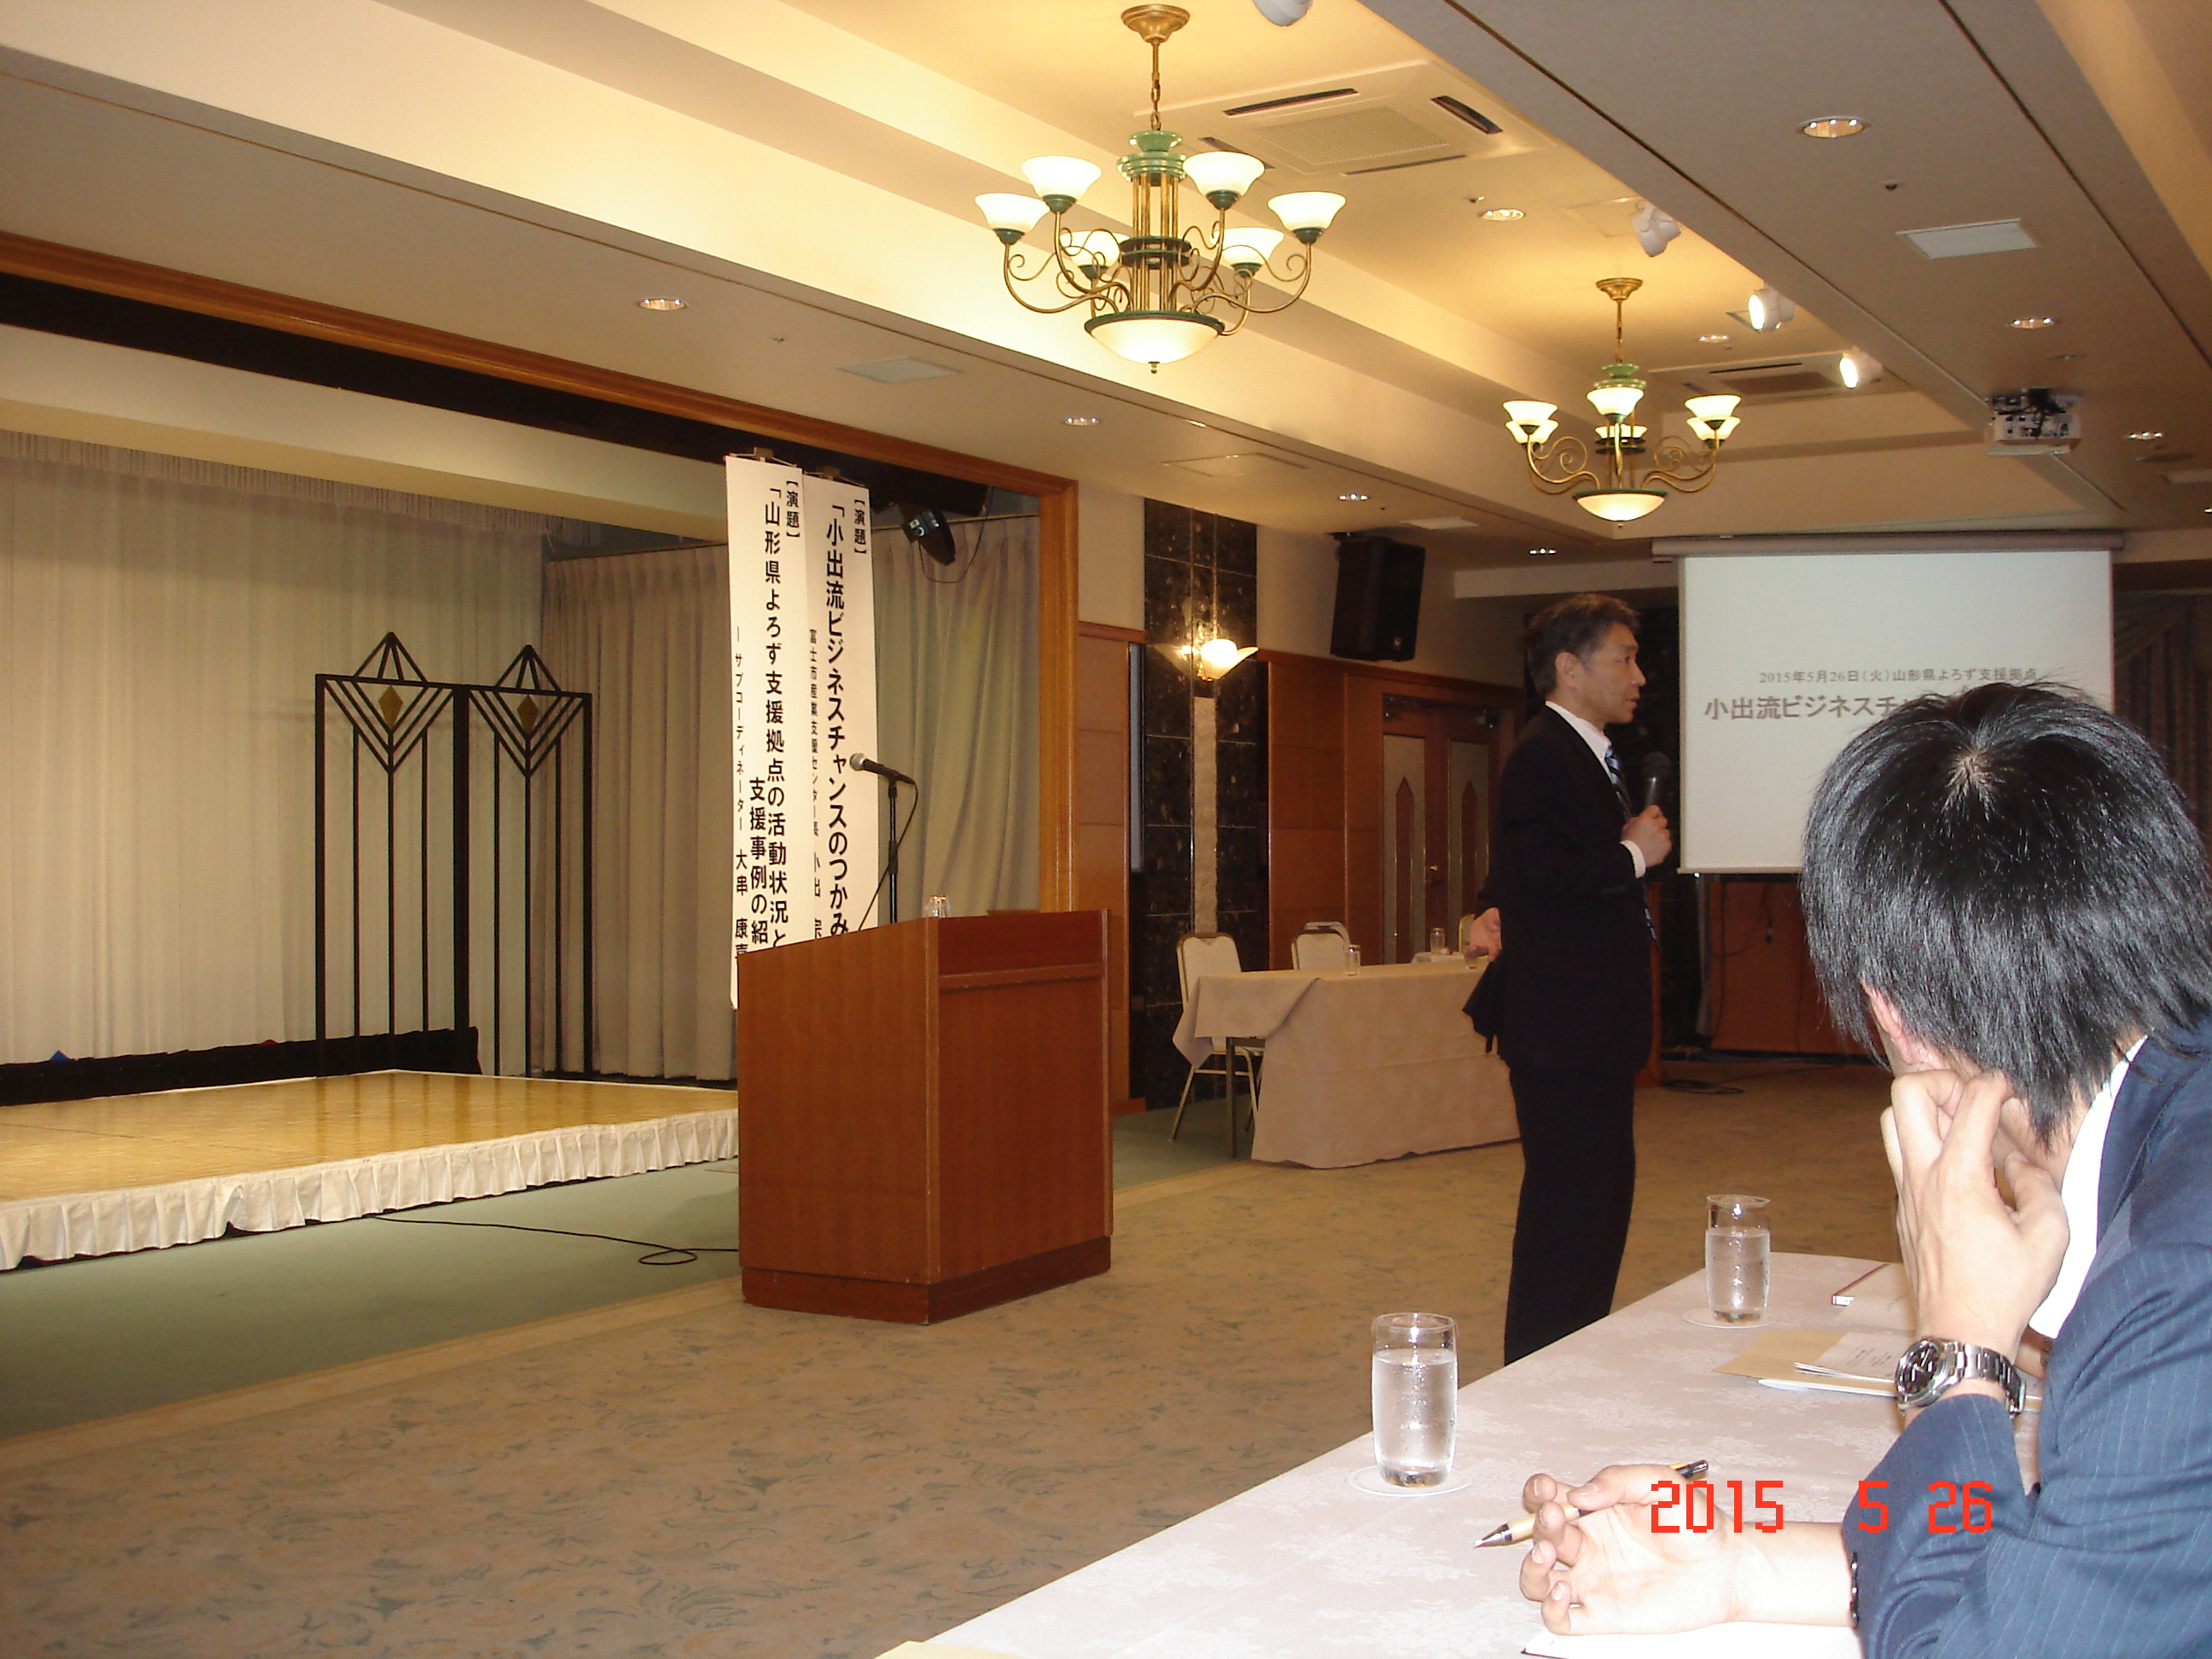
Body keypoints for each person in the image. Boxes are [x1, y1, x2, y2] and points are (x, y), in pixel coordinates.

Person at [1515, 683, 2212, 1653]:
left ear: (1893, 1015)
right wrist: (1745, 1561)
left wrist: (1961, 1353)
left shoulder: (2175, 1280)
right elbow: (2105, 1555)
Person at [1467, 593, 1672, 1363]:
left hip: (1590, 1026)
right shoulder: (1544, 755)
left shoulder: (1589, 753)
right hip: (1564, 1029)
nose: (1639, 677)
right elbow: (1549, 873)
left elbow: (1524, 871)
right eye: (1624, 658)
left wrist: (1492, 904)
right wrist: (1633, 854)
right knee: (1568, 1210)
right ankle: (1537, 1365)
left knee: (1597, 1206)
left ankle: (1574, 1356)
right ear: (1569, 667)